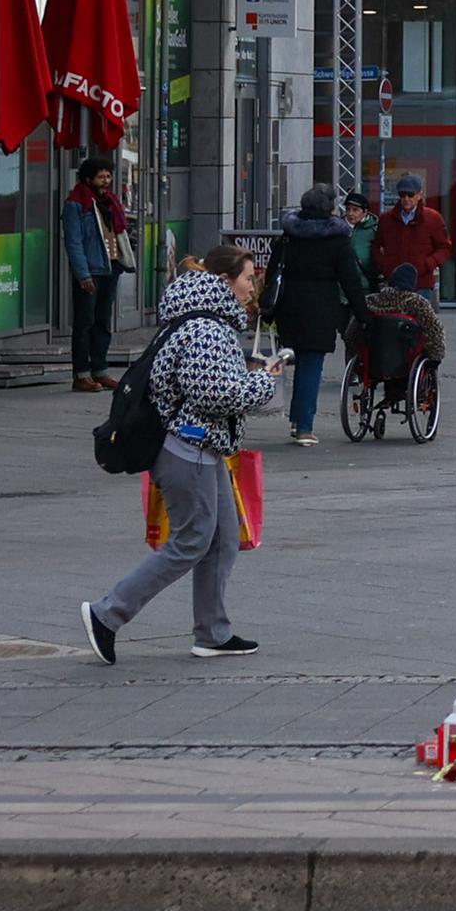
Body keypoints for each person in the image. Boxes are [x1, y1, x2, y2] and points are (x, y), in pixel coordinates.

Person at [80, 245, 282, 664]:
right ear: (224, 281)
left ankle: (212, 633)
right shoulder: (206, 327)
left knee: (223, 539)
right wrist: (263, 384)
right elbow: (213, 393)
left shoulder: (205, 320)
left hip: (203, 447)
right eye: (247, 279)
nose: (251, 288)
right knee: (191, 541)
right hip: (188, 448)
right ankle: (107, 613)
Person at [263, 186, 371, 446]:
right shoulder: (337, 239)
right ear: (329, 209)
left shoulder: (289, 235)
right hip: (320, 308)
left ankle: (296, 419)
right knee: (311, 364)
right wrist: (363, 314)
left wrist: (269, 306)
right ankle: (304, 427)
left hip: (289, 307)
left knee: (297, 360)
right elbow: (350, 281)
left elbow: (272, 271)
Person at [61, 158, 132, 392]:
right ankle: (81, 374)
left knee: (102, 321)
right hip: (90, 270)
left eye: (108, 177)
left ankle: (99, 370)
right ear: (88, 178)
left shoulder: (109, 202)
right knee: (85, 323)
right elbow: (74, 242)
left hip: (110, 268)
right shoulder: (76, 204)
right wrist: (82, 274)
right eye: (101, 177)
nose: (106, 182)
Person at [358, 264, 446, 410]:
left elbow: (351, 333)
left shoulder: (371, 301)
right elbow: (435, 330)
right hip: (406, 362)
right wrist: (436, 357)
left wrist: (356, 353)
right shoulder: (417, 303)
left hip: (375, 361)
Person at [368, 175, 452, 296]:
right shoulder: (386, 219)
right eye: (402, 195)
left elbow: (445, 247)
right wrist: (384, 266)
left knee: (419, 314)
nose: (406, 199)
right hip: (394, 282)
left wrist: (428, 264)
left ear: (419, 195)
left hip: (421, 283)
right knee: (395, 315)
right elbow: (376, 245)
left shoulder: (433, 218)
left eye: (410, 195)